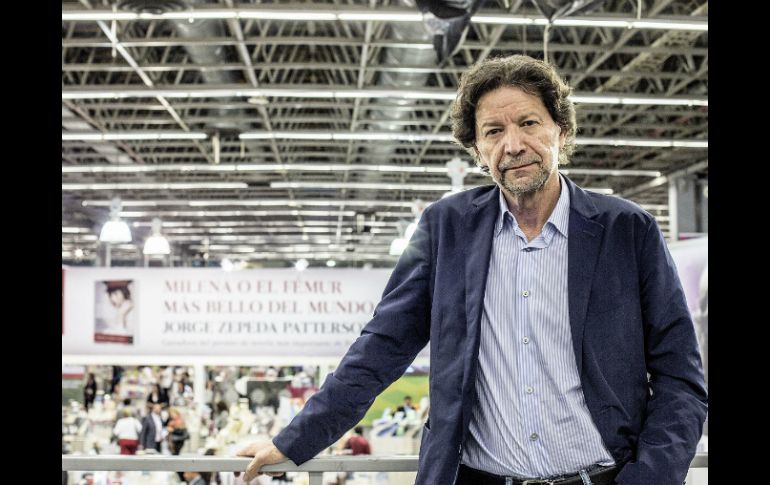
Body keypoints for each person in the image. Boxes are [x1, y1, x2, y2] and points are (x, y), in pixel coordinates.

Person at [236, 55, 707, 485]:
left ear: (561, 131)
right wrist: (294, 441)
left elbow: (680, 378)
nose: (513, 145)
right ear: (477, 149)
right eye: (493, 131)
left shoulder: (627, 230)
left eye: (529, 123)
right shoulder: (446, 229)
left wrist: (651, 479)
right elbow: (382, 346)